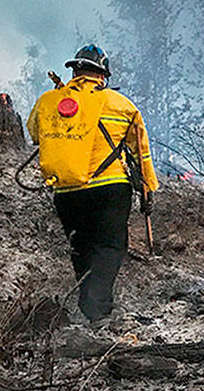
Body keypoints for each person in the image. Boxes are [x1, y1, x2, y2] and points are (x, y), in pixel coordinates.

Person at [26, 44, 158, 323]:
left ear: (75, 70)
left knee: (81, 246)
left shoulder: (48, 101)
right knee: (109, 246)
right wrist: (148, 189)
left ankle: (90, 306)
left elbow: (36, 134)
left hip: (66, 191)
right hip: (109, 189)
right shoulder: (121, 105)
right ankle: (97, 310)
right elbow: (140, 151)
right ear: (103, 75)